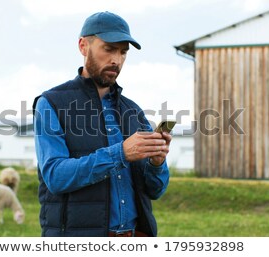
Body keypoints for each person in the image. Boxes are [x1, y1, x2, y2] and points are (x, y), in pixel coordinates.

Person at [33, 11, 171, 237]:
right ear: (83, 46)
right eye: (108, 49)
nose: (116, 59)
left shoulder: (133, 111)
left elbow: (155, 191)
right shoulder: (51, 103)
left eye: (123, 52)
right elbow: (55, 177)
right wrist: (121, 153)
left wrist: (157, 163)